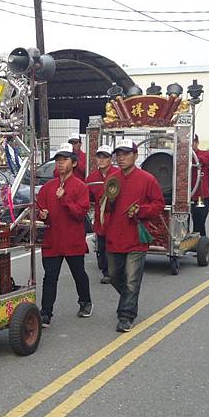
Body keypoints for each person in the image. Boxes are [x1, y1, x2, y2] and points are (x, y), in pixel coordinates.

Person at [103, 139, 164, 333]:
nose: (121, 158)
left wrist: (141, 210)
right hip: (114, 235)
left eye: (126, 154)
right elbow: (105, 206)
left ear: (136, 156)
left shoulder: (148, 179)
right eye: (118, 154)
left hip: (136, 237)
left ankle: (126, 315)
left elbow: (158, 205)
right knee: (113, 275)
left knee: (131, 279)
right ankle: (129, 299)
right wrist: (109, 201)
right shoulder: (112, 178)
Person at [36, 142, 92, 327]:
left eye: (64, 160)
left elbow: (80, 214)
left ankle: (85, 302)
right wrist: (41, 214)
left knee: (79, 274)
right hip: (52, 240)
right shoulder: (47, 188)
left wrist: (65, 199)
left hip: (72, 240)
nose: (60, 164)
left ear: (74, 163)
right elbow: (39, 210)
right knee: (50, 277)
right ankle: (46, 313)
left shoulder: (80, 187)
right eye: (58, 160)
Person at [85, 145, 119, 284]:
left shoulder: (118, 174)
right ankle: (107, 272)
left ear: (110, 159)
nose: (102, 159)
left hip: (116, 216)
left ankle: (118, 271)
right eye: (99, 156)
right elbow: (88, 198)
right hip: (101, 217)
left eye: (105, 156)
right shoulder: (91, 178)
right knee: (103, 246)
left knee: (116, 245)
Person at [191, 134, 209, 237]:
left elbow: (202, 159)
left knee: (199, 221)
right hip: (186, 197)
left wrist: (189, 153)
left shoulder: (205, 154)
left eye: (193, 142)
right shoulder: (181, 156)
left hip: (200, 197)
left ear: (197, 142)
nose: (191, 145)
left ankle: (201, 243)